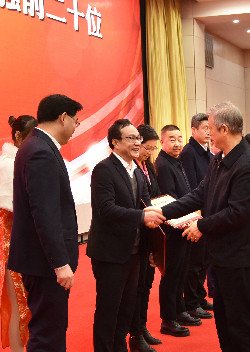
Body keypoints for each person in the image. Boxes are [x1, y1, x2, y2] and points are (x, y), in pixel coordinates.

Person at [147, 102, 250, 352]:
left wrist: (201, 225)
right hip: (221, 255)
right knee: (224, 321)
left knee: (241, 322)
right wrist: (162, 212)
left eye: (210, 127)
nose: (208, 132)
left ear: (224, 129)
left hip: (239, 257)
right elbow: (200, 194)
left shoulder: (248, 165)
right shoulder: (220, 159)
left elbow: (237, 213)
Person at [8, 94, 83, 352]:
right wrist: (60, 263)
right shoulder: (40, 151)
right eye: (75, 121)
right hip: (44, 264)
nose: (75, 127)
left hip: (41, 261)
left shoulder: (36, 145)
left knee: (50, 330)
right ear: (63, 118)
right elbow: (44, 213)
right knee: (47, 334)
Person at [87, 119, 165, 352]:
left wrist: (152, 247)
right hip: (110, 253)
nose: (137, 142)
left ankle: (120, 346)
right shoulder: (104, 169)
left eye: (138, 138)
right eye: (131, 138)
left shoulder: (137, 170)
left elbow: (146, 206)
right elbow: (106, 209)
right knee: (109, 309)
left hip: (135, 251)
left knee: (127, 308)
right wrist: (142, 216)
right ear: (115, 142)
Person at [0, 115, 37, 352]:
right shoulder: (8, 164)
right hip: (12, 240)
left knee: (27, 302)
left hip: (20, 238)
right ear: (18, 136)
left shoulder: (20, 160)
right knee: (19, 302)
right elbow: (11, 208)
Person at [155, 124, 200, 337]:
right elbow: (169, 199)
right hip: (172, 228)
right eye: (172, 139)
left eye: (180, 139)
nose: (177, 143)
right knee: (171, 274)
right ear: (162, 141)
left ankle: (180, 310)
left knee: (181, 272)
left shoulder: (176, 161)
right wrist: (187, 217)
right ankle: (168, 319)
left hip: (184, 224)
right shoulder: (163, 164)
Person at [129, 124, 162, 352]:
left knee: (147, 285)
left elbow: (154, 196)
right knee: (137, 287)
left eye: (152, 149)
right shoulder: (132, 168)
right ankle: (135, 333)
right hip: (138, 234)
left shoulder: (147, 166)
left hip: (151, 232)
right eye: (146, 148)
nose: (149, 153)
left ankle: (142, 326)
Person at [179, 113, 213, 319]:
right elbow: (191, 188)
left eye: (210, 128)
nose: (209, 132)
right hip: (196, 214)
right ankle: (191, 302)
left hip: (208, 213)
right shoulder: (189, 152)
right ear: (194, 130)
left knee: (204, 259)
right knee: (195, 262)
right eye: (205, 128)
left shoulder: (207, 152)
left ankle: (200, 297)